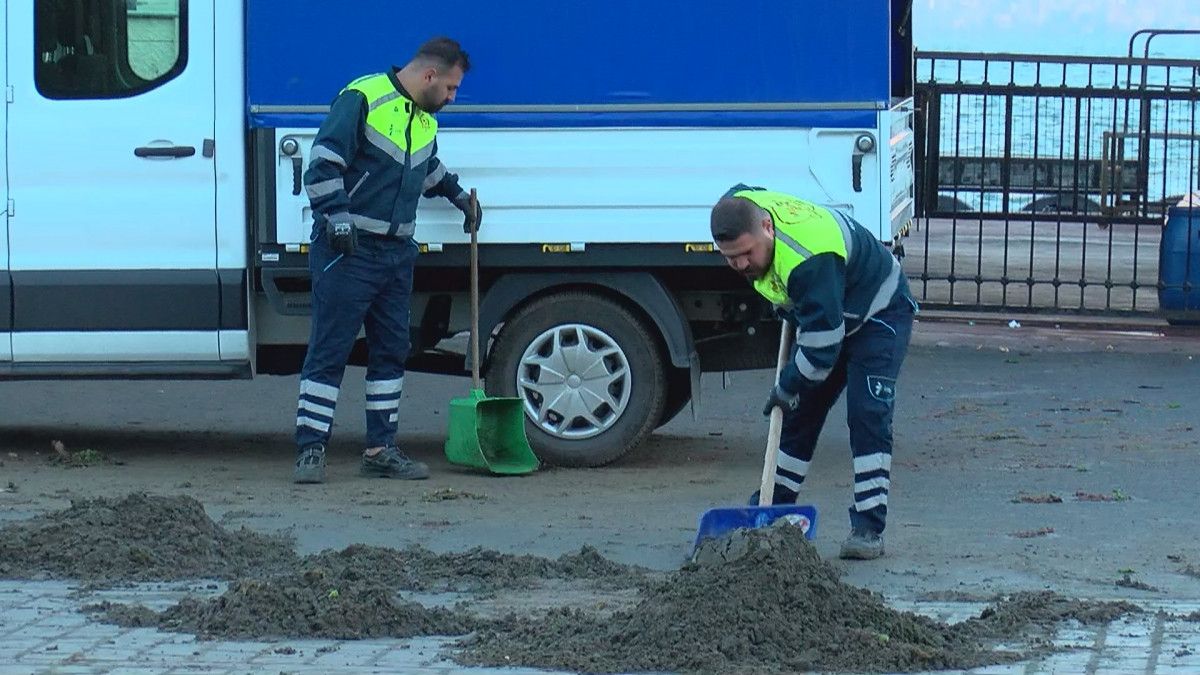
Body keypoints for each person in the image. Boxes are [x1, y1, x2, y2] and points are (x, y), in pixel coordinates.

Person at [292, 37, 483, 484]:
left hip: (397, 254)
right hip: (349, 251)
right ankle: (310, 450)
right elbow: (322, 164)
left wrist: (458, 197)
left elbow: (425, 167)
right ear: (430, 76)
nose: (453, 98)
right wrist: (336, 216)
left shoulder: (424, 119)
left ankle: (380, 449)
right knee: (329, 351)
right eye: (451, 88)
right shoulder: (363, 97)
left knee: (392, 351)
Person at [710, 184, 918, 559]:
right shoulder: (741, 206)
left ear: (768, 228)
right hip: (828, 315)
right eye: (729, 258)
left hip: (878, 312)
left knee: (867, 414)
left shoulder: (809, 258)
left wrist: (788, 383)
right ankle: (772, 507)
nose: (739, 265)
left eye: (745, 254)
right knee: (798, 415)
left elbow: (823, 349)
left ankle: (869, 528)